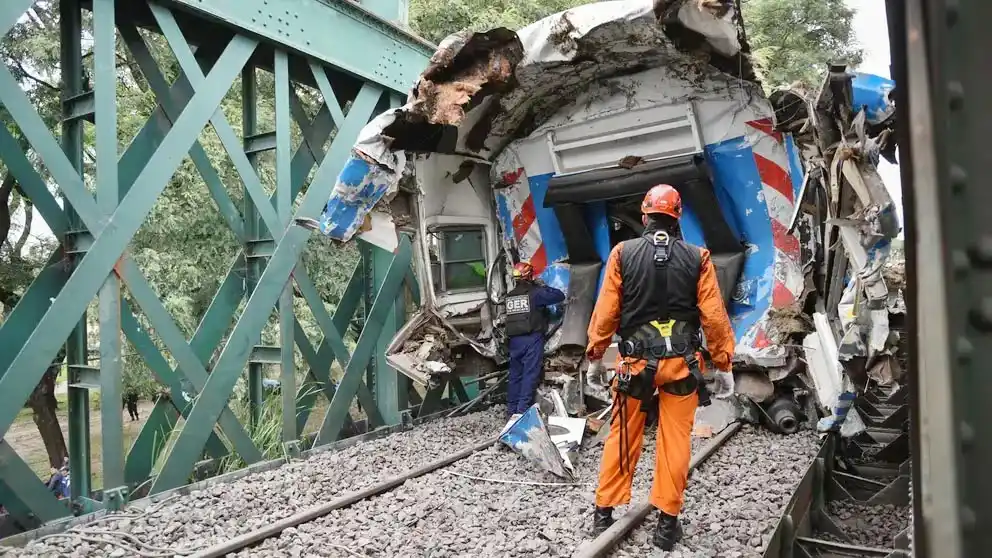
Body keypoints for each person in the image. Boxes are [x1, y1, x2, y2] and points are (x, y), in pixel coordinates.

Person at [585, 184, 736, 550]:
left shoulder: (622, 253)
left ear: (644, 215)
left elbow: (606, 312)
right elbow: (714, 318)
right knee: (675, 441)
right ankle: (667, 526)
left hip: (634, 365)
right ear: (677, 216)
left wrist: (595, 356)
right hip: (682, 365)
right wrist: (724, 363)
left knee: (622, 435)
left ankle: (603, 513)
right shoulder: (698, 257)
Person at [504, 261, 565, 419]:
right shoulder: (536, 293)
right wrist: (542, 285)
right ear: (530, 275)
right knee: (530, 374)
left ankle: (511, 411)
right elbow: (559, 295)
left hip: (514, 341)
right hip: (531, 339)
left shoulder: (510, 297)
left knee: (515, 376)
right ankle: (521, 411)